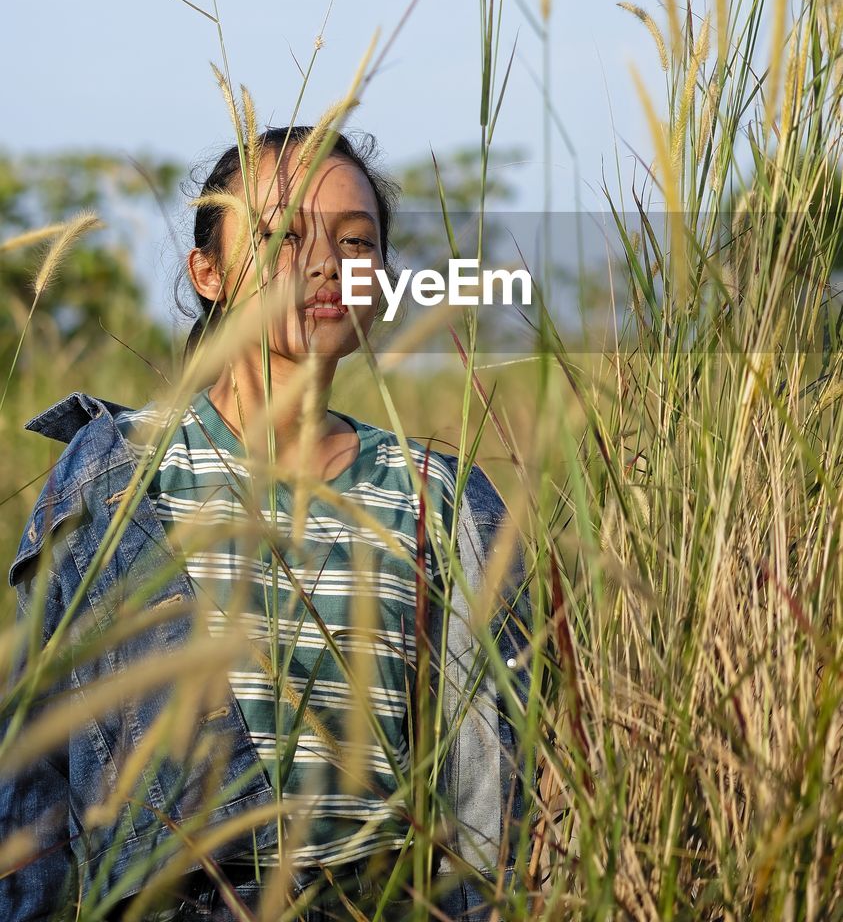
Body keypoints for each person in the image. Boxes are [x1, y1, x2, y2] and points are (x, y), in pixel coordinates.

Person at [0, 125, 532, 921]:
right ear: (207, 273)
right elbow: (33, 765)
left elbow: (493, 784)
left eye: (356, 241)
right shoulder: (119, 474)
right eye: (283, 235)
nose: (324, 263)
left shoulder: (440, 497)